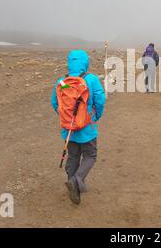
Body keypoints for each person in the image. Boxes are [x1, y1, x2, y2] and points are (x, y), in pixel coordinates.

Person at [51, 50, 106, 205]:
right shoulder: (91, 79)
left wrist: (68, 118)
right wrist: (95, 116)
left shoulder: (61, 81)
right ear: (85, 63)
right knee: (90, 156)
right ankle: (77, 180)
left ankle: (72, 182)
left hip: (69, 130)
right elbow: (100, 100)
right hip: (87, 128)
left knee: (73, 156)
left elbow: (55, 104)